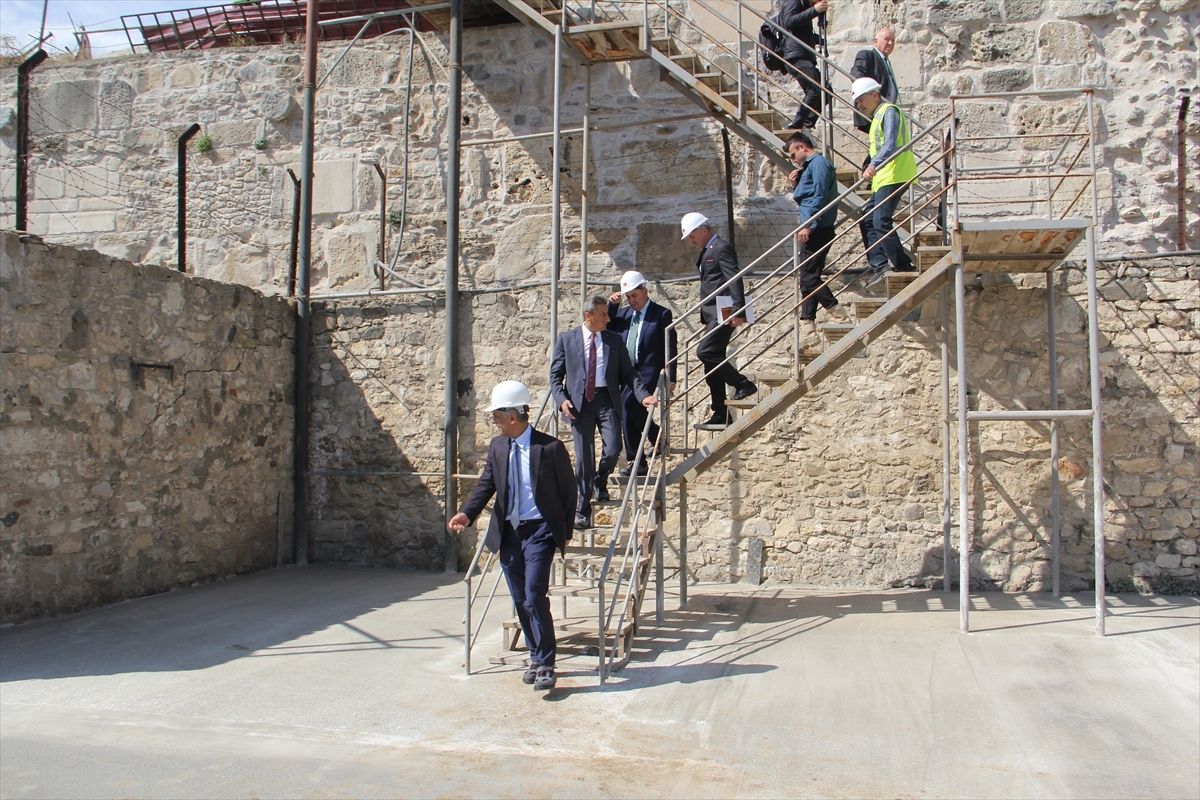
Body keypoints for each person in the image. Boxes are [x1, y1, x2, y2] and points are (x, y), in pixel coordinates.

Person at [448, 381, 576, 692]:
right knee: (520, 599)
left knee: (534, 595)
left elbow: (569, 493)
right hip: (510, 534)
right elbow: (485, 485)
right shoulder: (498, 447)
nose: (493, 420)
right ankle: (535, 656)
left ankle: (547, 662)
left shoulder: (550, 448)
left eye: (496, 415)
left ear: (513, 416)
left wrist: (565, 532)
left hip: (541, 532)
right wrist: (467, 513)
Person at [550, 296, 657, 529]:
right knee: (584, 459)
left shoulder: (614, 340)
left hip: (607, 400)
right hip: (578, 405)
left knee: (613, 449)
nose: (608, 319)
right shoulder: (567, 339)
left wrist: (643, 396)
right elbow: (555, 376)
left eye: (608, 314)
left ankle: (601, 479)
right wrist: (561, 400)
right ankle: (582, 509)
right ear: (588, 316)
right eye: (603, 315)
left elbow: (629, 373)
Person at [681, 213, 757, 427]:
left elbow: (734, 277)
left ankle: (743, 383)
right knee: (711, 361)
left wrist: (738, 309)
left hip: (724, 312)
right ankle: (720, 413)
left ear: (703, 230)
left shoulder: (722, 248)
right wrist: (704, 316)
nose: (691, 241)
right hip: (712, 314)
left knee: (705, 352)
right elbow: (709, 284)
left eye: (692, 236)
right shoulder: (708, 251)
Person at [607, 270, 677, 476]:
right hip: (627, 372)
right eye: (628, 297)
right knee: (625, 411)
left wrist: (671, 376)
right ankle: (638, 461)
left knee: (629, 404)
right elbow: (607, 327)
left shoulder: (661, 314)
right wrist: (613, 305)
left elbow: (670, 346)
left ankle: (651, 441)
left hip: (648, 371)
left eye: (634, 296)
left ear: (645, 292)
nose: (631, 300)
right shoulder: (623, 314)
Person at [785, 131, 850, 343]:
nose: (792, 158)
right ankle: (808, 329)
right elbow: (808, 197)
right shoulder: (807, 168)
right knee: (806, 279)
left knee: (809, 278)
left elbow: (820, 196)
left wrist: (808, 224)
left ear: (802, 146)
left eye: (793, 153)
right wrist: (796, 185)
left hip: (817, 227)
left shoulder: (819, 163)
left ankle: (838, 313)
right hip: (812, 227)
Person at [851, 76, 917, 283]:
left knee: (880, 220)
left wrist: (873, 165)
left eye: (861, 100)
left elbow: (889, 144)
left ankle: (903, 265)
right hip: (884, 176)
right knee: (868, 218)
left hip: (895, 172)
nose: (859, 105)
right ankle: (880, 265)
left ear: (874, 95)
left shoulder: (889, 111)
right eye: (857, 102)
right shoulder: (877, 116)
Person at [778, 0, 828, 129]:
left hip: (804, 56)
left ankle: (806, 124)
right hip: (796, 56)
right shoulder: (794, 1)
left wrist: (821, 40)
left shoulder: (803, 5)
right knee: (814, 90)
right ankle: (796, 126)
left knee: (826, 92)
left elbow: (803, 33)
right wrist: (814, 11)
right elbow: (789, 22)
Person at [850, 28, 899, 133]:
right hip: (872, 110)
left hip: (884, 111)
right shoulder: (867, 55)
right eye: (887, 39)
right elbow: (856, 73)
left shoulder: (885, 61)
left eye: (893, 40)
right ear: (875, 41)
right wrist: (865, 92)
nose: (890, 43)